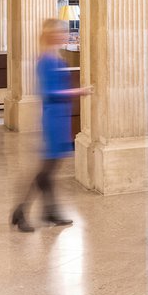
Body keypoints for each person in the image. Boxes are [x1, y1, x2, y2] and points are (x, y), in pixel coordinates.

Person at [10, 18, 92, 233]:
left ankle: (49, 211)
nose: (65, 35)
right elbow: (47, 93)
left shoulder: (55, 57)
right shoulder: (45, 60)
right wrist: (78, 92)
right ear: (51, 35)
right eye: (61, 32)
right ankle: (22, 210)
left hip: (60, 117)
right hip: (53, 118)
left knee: (50, 168)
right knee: (46, 170)